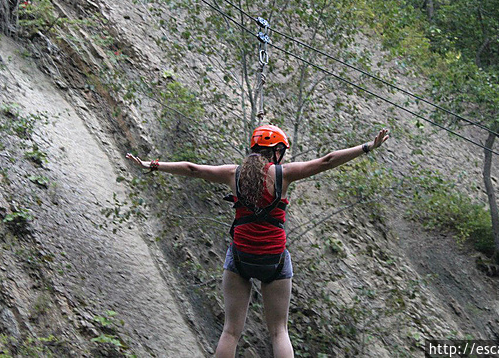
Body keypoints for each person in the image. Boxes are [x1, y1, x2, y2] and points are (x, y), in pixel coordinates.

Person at [126, 124, 389, 358]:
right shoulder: (284, 174)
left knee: (230, 332)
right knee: (279, 331)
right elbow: (327, 161)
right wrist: (367, 146)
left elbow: (193, 169)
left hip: (241, 257)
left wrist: (155, 165)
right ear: (276, 152)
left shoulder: (233, 174)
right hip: (274, 260)